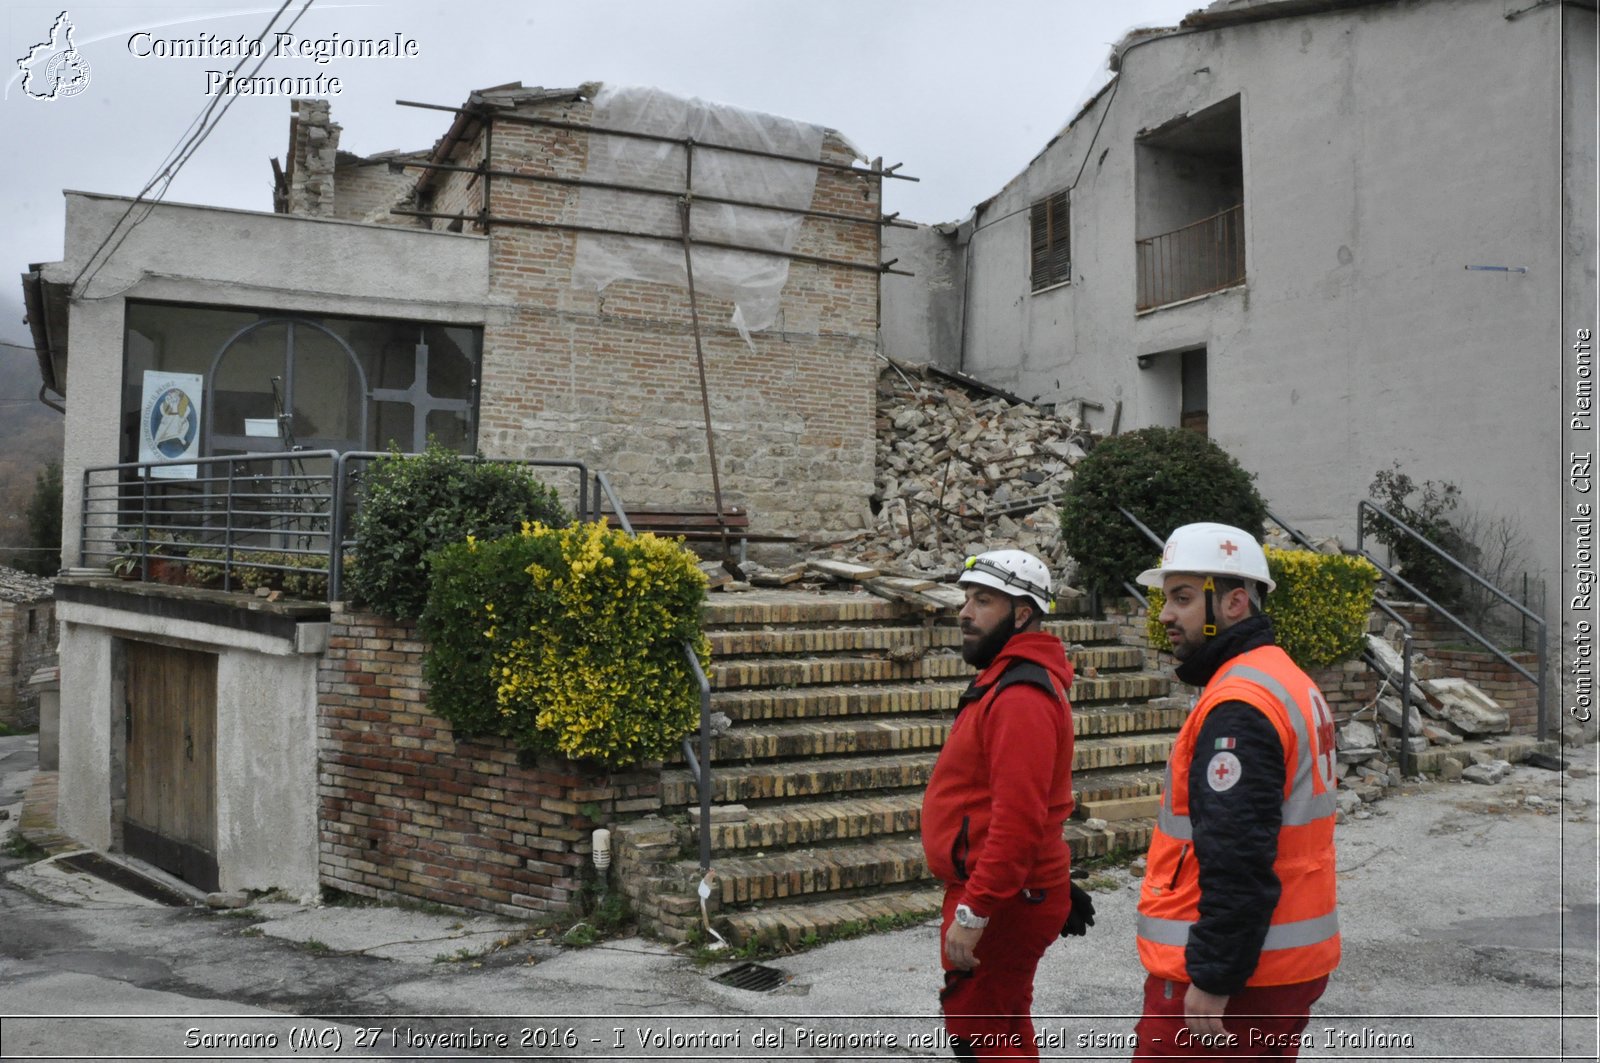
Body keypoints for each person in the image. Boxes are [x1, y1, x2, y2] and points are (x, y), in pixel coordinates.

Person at [1130, 523, 1340, 1060]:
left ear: (1234, 603)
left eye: (1181, 598)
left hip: (1239, 981)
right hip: (1280, 967)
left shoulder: (1240, 703)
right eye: (1165, 598)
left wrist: (1215, 974)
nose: (1165, 615)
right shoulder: (1283, 678)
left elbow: (1237, 852)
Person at [921, 548, 1094, 1062]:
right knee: (1005, 1024)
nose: (965, 612)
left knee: (982, 1036)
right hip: (1009, 889)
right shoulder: (1008, 679)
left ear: (1022, 614)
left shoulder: (1020, 695)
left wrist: (976, 911)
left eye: (984, 600)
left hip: (1000, 897)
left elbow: (1018, 819)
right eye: (966, 599)